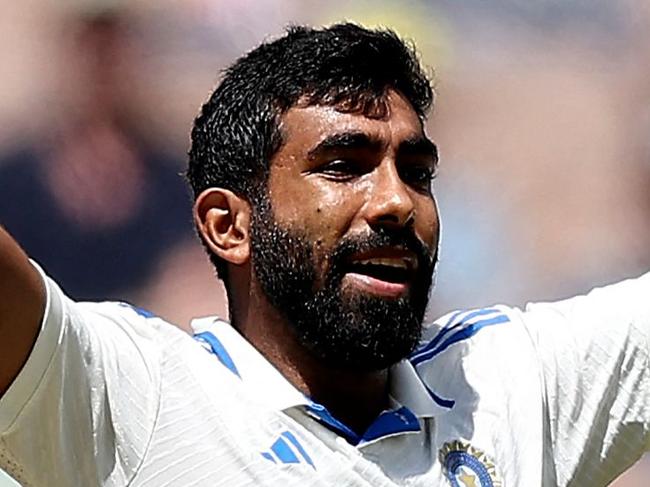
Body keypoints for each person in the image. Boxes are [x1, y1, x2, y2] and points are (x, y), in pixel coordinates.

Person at [0, 23, 648, 487]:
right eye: (344, 166)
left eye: (417, 172)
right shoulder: (131, 400)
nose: (398, 201)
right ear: (228, 225)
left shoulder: (506, 384)